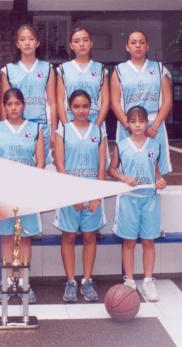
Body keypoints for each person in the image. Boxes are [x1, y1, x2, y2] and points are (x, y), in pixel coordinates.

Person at [0, 88, 45, 304]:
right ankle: (8, 281)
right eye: (9, 104)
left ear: (23, 105)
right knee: (7, 237)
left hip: (26, 190)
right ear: (3, 106)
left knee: (25, 237)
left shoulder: (35, 128)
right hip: (4, 191)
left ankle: (24, 283)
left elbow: (39, 162)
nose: (13, 108)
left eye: (17, 104)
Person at [109, 106, 167, 302]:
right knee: (129, 242)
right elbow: (112, 170)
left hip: (149, 199)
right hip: (129, 200)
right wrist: (123, 177)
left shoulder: (154, 146)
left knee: (149, 241)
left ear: (146, 123)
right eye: (133, 121)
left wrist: (161, 181)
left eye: (142, 121)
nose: (138, 125)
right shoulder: (122, 145)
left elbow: (157, 173)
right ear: (128, 123)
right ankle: (130, 281)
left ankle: (148, 280)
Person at [53, 90, 106, 302]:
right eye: (77, 106)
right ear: (70, 108)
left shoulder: (99, 131)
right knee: (68, 236)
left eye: (85, 106)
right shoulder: (63, 131)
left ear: (90, 107)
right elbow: (60, 164)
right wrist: (70, 194)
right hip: (70, 193)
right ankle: (70, 281)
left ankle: (86, 280)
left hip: (92, 192)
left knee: (89, 236)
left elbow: (102, 164)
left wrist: (98, 195)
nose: (81, 110)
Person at [111, 30, 172, 175]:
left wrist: (154, 127)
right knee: (128, 169)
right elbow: (115, 102)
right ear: (127, 47)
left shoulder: (159, 68)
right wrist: (128, 126)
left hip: (154, 124)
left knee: (156, 170)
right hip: (128, 125)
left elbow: (167, 101)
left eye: (141, 42)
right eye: (133, 42)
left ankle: (154, 196)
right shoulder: (119, 70)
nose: (137, 46)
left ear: (147, 46)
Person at [1, 24, 56, 164]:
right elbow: (5, 103)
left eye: (31, 39)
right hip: (17, 126)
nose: (27, 43)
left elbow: (52, 102)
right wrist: (3, 129)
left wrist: (54, 131)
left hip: (41, 125)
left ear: (37, 43)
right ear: (17, 44)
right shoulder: (7, 70)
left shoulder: (47, 68)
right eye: (23, 39)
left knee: (41, 168)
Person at [57, 27, 109, 162]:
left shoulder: (101, 69)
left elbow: (105, 102)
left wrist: (96, 126)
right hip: (70, 120)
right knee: (70, 162)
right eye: (77, 41)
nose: (81, 44)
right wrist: (66, 127)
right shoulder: (63, 69)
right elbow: (60, 100)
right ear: (71, 45)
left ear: (91, 43)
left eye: (85, 40)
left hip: (94, 120)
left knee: (95, 162)